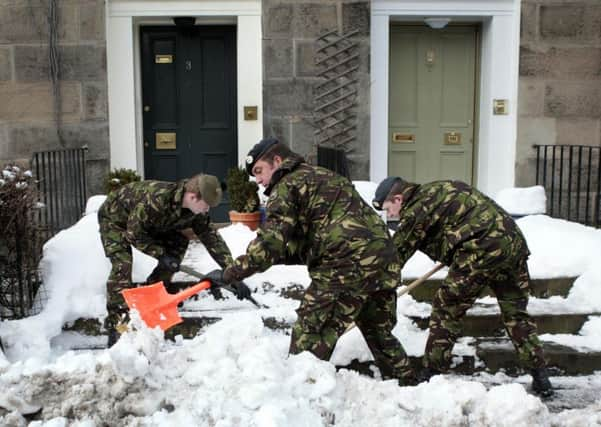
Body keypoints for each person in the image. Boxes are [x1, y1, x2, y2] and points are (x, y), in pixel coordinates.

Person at [219, 138, 416, 385]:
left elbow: (271, 242)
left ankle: (301, 399)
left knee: (310, 336)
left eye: (259, 171)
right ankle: (408, 389)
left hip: (345, 265)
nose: (258, 180)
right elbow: (315, 235)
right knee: (379, 333)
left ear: (277, 161)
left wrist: (232, 272)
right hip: (384, 260)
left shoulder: (286, 186)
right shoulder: (324, 176)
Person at [372, 177, 554, 397]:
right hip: (512, 245)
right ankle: (541, 376)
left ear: (399, 199)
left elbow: (394, 258)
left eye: (389, 208)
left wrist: (371, 286)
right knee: (516, 315)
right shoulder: (441, 187)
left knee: (446, 307)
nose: (390, 215)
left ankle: (432, 373)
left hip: (481, 250)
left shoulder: (416, 210)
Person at [98, 174, 246, 346]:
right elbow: (134, 235)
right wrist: (161, 254)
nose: (207, 210)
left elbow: (211, 238)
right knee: (123, 263)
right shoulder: (157, 200)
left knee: (178, 243)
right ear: (192, 197)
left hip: (150, 224)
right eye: (206, 206)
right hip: (115, 220)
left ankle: (152, 294)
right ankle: (117, 324)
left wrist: (233, 273)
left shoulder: (194, 210)